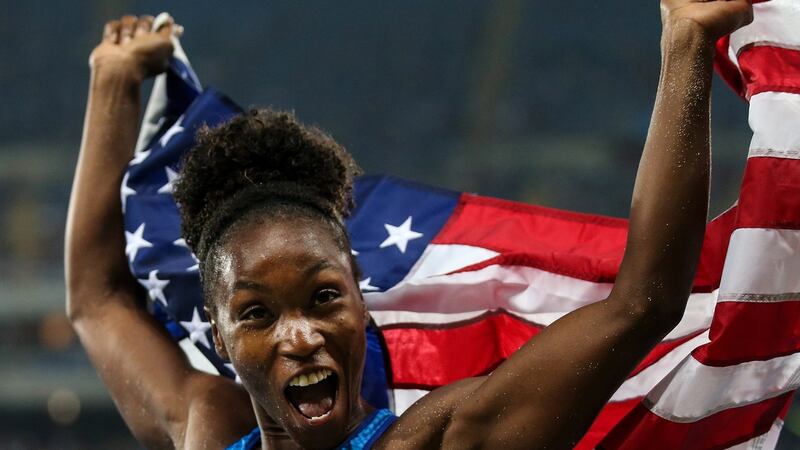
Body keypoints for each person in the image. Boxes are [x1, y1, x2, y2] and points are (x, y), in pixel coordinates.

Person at [65, 2, 754, 449]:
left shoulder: (441, 441)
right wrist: (112, 83)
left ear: (362, 296)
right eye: (256, 313)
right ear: (220, 335)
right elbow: (96, 299)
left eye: (324, 296)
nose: (299, 335)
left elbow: (643, 302)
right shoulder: (207, 429)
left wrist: (686, 44)